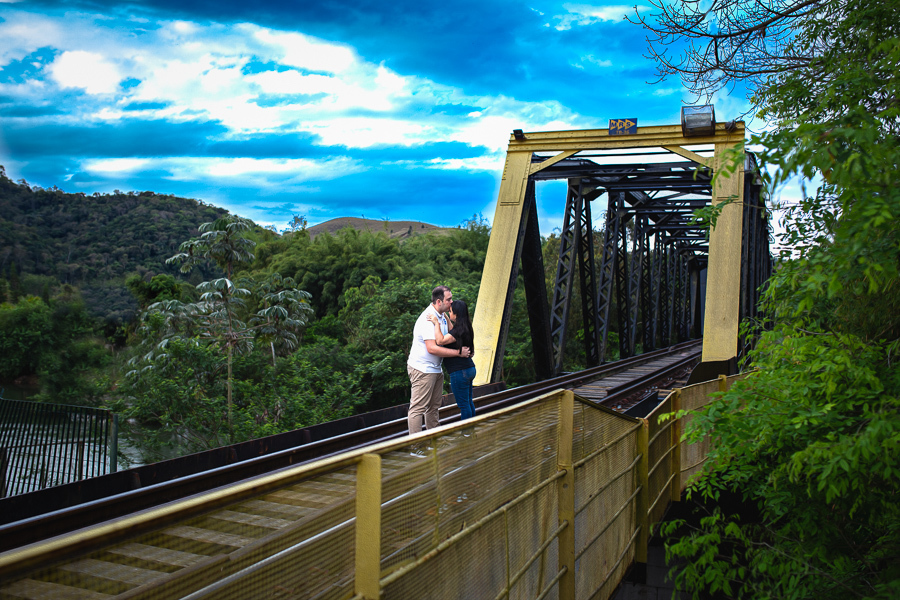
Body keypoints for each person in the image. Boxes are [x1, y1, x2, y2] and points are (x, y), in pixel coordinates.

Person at [407, 286, 470, 435]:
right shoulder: (428, 318)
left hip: (435, 368)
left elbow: (453, 333)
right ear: (439, 301)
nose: (451, 302)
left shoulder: (441, 316)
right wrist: (458, 353)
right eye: (449, 299)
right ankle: (417, 447)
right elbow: (432, 348)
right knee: (418, 409)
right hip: (423, 369)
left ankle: (434, 441)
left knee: (433, 407)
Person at [426, 299, 476, 420]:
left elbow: (440, 341)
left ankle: (467, 433)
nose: (449, 313)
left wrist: (436, 323)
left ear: (457, 314)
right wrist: (446, 317)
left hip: (460, 372)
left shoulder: (459, 330)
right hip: (469, 368)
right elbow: (452, 330)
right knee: (468, 402)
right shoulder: (465, 327)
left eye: (451, 311)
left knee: (463, 405)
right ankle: (472, 429)